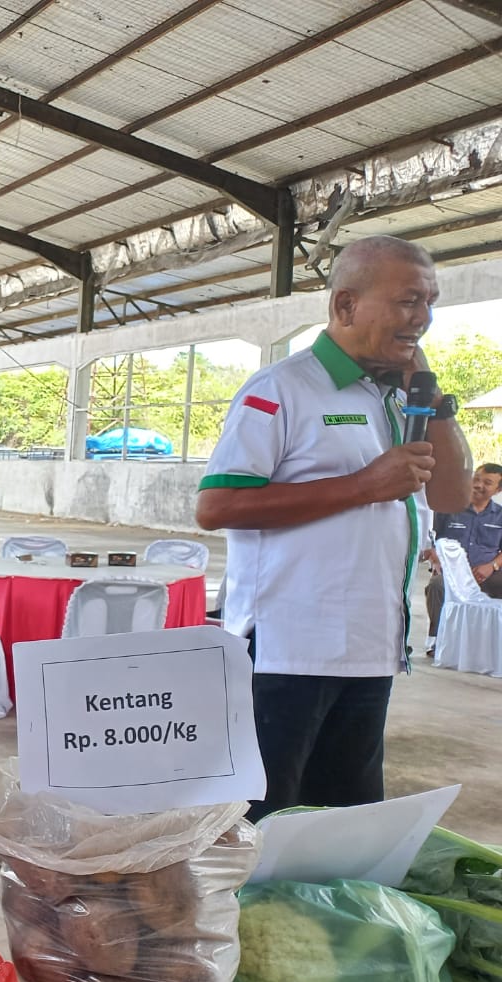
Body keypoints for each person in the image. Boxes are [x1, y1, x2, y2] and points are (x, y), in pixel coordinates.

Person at [196, 234, 470, 823]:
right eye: (408, 301)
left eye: (430, 302)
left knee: (343, 824)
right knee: (261, 824)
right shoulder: (281, 389)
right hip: (288, 651)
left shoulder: (398, 397)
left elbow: (449, 494)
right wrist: (364, 485)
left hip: (370, 652)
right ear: (346, 306)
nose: (422, 317)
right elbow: (216, 507)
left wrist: (433, 396)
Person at [424, 462, 502, 649]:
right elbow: (432, 540)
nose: (478, 485)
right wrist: (435, 558)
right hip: (452, 573)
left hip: (487, 573)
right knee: (436, 585)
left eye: (487, 482)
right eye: (476, 479)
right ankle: (438, 640)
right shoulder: (449, 509)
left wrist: (492, 566)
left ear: (498, 489)